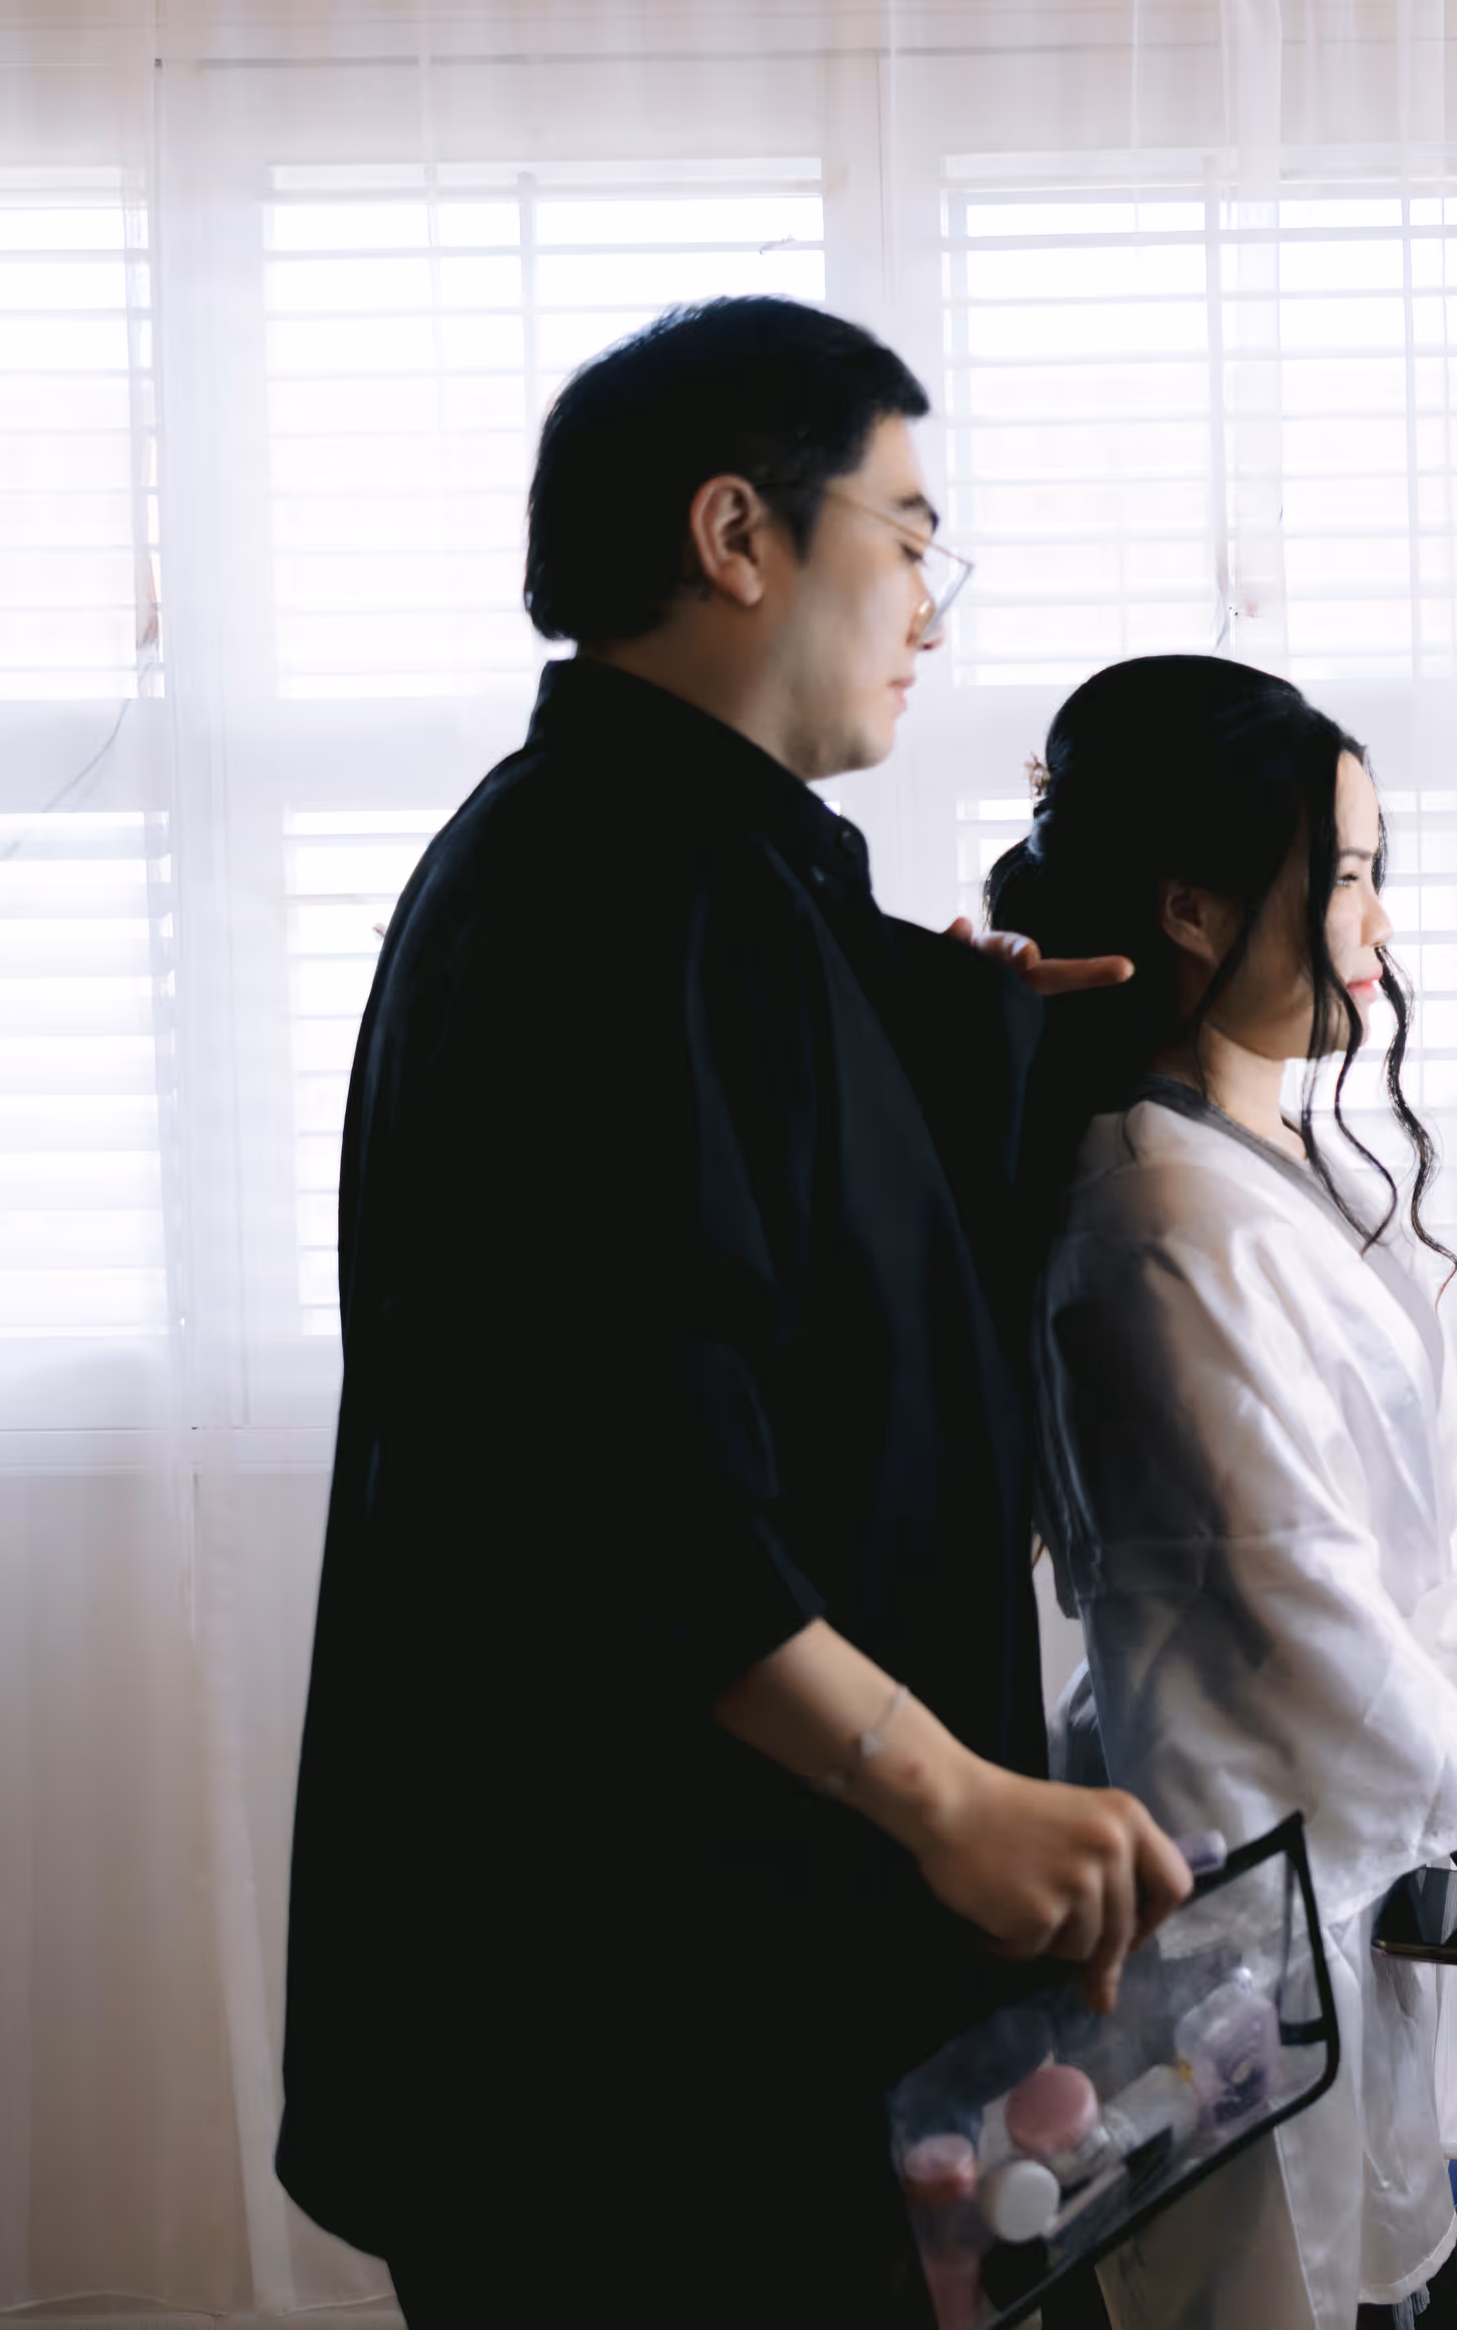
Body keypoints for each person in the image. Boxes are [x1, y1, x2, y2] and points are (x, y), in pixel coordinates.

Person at [279, 298, 1193, 2324]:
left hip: (718, 1975)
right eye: (907, 534)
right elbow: (625, 1478)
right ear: (735, 535)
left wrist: (965, 1020)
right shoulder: (610, 895)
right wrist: (951, 1794)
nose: (932, 605)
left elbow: (801, 1163)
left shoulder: (695, 862)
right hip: (625, 2018)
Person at [986, 657, 1457, 2330]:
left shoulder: (1281, 1169)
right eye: (1351, 875)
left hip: (1362, 1848)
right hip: (1237, 1872)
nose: (1378, 923)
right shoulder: (1155, 1215)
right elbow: (1289, 1586)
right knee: (1250, 2285)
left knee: (1354, 2266)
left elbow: (1420, 1527)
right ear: (1191, 906)